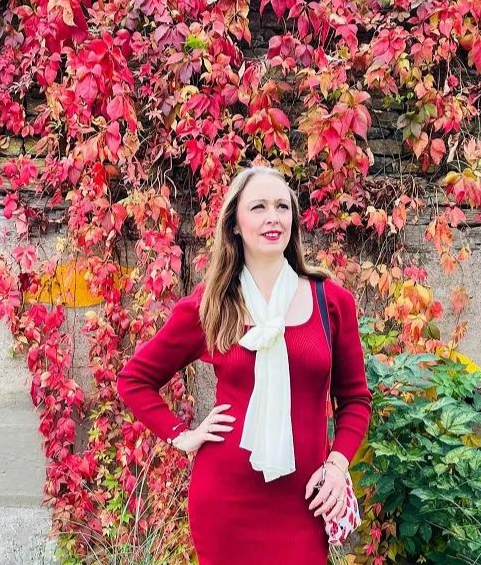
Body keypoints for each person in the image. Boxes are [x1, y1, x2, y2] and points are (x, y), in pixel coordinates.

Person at [116, 165, 372, 565]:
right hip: (226, 502)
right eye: (259, 207)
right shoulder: (212, 305)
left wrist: (338, 466)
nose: (273, 217)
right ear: (234, 223)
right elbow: (134, 380)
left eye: (282, 207)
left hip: (303, 501)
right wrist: (180, 435)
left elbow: (355, 400)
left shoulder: (331, 301)